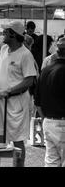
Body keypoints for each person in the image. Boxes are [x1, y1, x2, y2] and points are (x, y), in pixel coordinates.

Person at [0, 21, 37, 167]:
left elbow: (30, 80)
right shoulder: (4, 49)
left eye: (6, 31)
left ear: (14, 34)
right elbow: (0, 74)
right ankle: (2, 165)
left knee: (17, 141)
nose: (2, 33)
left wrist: (8, 91)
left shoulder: (25, 54)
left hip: (16, 102)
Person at [34, 37, 65, 167]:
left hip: (49, 121)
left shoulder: (46, 70)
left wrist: (45, 118)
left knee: (51, 161)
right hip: (62, 122)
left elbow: (37, 102)